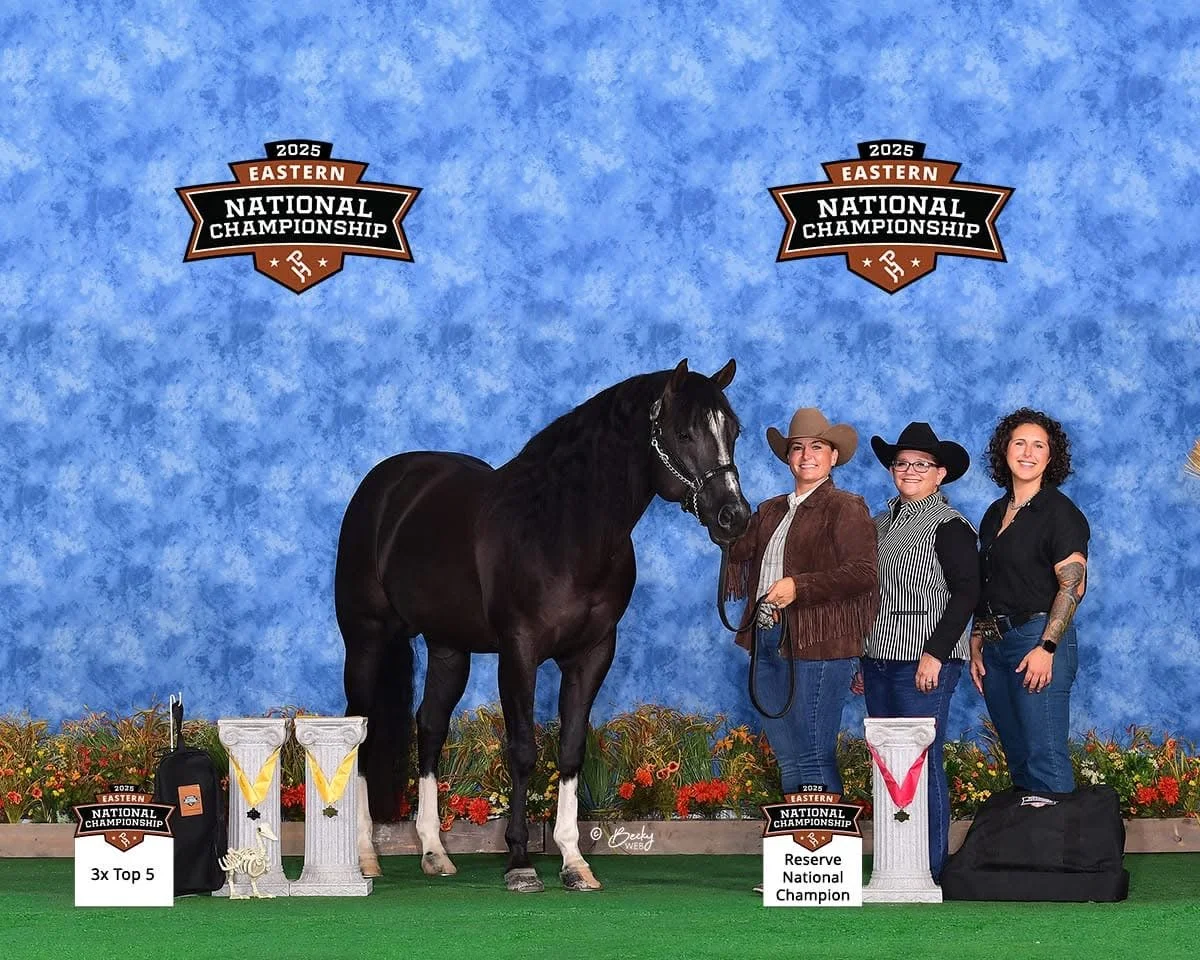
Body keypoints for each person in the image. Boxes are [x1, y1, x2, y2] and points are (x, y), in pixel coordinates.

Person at [725, 407, 879, 798]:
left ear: (833, 456)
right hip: (766, 633)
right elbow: (736, 547)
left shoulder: (846, 506)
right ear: (788, 456)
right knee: (788, 752)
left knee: (812, 751)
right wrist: (719, 509)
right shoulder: (770, 509)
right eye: (797, 448)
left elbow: (863, 572)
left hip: (820, 641)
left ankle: (823, 845)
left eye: (817, 447)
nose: (806, 455)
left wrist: (800, 586)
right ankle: (797, 847)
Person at [861, 422, 979, 881]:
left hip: (923, 660)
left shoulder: (950, 526)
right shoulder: (879, 522)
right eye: (902, 463)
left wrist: (935, 652)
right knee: (888, 762)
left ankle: (928, 866)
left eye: (921, 465)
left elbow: (967, 593)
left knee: (921, 761)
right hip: (877, 658)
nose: (910, 470)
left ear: (940, 474)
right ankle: (895, 860)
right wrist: (860, 655)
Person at [971, 408, 1089, 794]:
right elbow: (989, 583)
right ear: (1005, 451)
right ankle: (1030, 850)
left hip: (1036, 640)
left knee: (1045, 756)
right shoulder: (994, 513)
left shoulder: (1060, 513)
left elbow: (1073, 586)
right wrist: (977, 638)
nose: (1028, 452)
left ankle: (1061, 854)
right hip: (995, 646)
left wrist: (1047, 647)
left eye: (1039, 445)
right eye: (1019, 442)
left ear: (1050, 458)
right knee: (1019, 758)